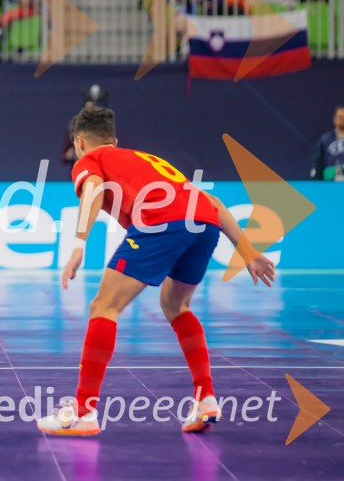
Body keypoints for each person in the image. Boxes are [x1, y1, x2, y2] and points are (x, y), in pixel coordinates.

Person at [37, 105, 275, 436]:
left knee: (103, 307)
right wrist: (248, 252)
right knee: (175, 305)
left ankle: (83, 411)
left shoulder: (91, 159)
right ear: (115, 140)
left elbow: (92, 188)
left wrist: (78, 244)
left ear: (79, 142)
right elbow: (212, 203)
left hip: (162, 222)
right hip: (204, 224)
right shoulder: (146, 160)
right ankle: (205, 398)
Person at [311, 106, 344, 181]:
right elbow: (318, 164)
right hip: (331, 183)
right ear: (334, 119)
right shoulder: (325, 139)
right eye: (340, 117)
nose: (343, 120)